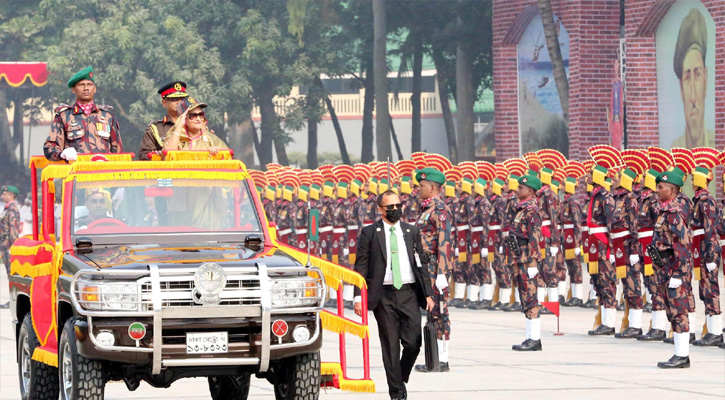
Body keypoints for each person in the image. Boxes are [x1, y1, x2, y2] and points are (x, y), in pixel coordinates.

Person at [353, 190, 434, 400]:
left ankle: (400, 377)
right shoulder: (370, 233)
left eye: (398, 205)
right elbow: (360, 266)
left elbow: (421, 264)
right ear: (380, 209)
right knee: (390, 345)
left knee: (413, 342)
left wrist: (428, 293)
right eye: (390, 207)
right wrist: (357, 297)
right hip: (384, 296)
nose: (396, 210)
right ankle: (397, 393)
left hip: (408, 293)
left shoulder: (411, 231)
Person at [412, 167, 453, 373]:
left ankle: (442, 360)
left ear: (433, 188)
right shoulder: (426, 210)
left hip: (436, 268)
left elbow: (445, 243)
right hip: (426, 268)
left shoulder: (440, 211)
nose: (419, 188)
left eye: (422, 186)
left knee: (440, 313)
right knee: (431, 313)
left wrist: (442, 273)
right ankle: (433, 359)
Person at [652, 169, 694, 368]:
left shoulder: (675, 214)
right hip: (664, 268)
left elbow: (683, 244)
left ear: (672, 190)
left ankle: (682, 355)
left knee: (679, 311)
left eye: (661, 187)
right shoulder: (664, 211)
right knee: (671, 311)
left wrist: (678, 273)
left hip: (674, 269)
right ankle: (678, 353)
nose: (657, 190)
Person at [44, 66, 123, 161]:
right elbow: (50, 148)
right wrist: (62, 154)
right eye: (81, 85)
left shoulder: (107, 116)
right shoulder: (64, 116)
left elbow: (118, 152)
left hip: (102, 173)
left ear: (95, 89)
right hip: (75, 173)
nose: (86, 88)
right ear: (73, 89)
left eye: (89, 84)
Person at [509, 175, 545, 351]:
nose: (517, 190)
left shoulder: (532, 210)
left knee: (530, 296)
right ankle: (530, 336)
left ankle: (535, 339)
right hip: (518, 257)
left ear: (530, 191)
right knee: (524, 296)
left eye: (521, 188)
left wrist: (533, 263)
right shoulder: (521, 209)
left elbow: (535, 237)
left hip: (527, 258)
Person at [690, 161, 722, 346]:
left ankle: (716, 332)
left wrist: (710, 256)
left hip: (707, 249)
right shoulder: (698, 200)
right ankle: (711, 330)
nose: (693, 180)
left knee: (711, 290)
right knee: (704, 290)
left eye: (695, 178)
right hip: (700, 249)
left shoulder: (706, 201)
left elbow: (710, 230)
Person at [671, 9, 714, 149]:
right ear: (681, 89)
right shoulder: (673, 153)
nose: (693, 97)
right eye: (687, 78)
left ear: (706, 80)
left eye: (698, 75)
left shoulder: (718, 150)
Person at [139, 81, 189, 160]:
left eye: (182, 99)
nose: (179, 102)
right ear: (164, 103)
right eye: (174, 99)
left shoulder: (194, 124)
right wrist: (157, 155)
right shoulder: (155, 128)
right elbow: (144, 156)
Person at [162, 96, 228, 154]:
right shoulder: (173, 136)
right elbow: (167, 156)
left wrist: (217, 153)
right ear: (182, 118)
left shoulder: (210, 138)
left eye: (201, 114)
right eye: (193, 115)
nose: (199, 119)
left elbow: (229, 161)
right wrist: (179, 126)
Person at [0, 185, 21, 309]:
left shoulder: (12, 209)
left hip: (8, 245)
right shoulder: (7, 208)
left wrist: (12, 247)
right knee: (9, 274)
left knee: (11, 274)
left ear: (11, 196)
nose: (2, 196)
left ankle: (13, 301)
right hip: (4, 244)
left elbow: (13, 230)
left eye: (5, 194)